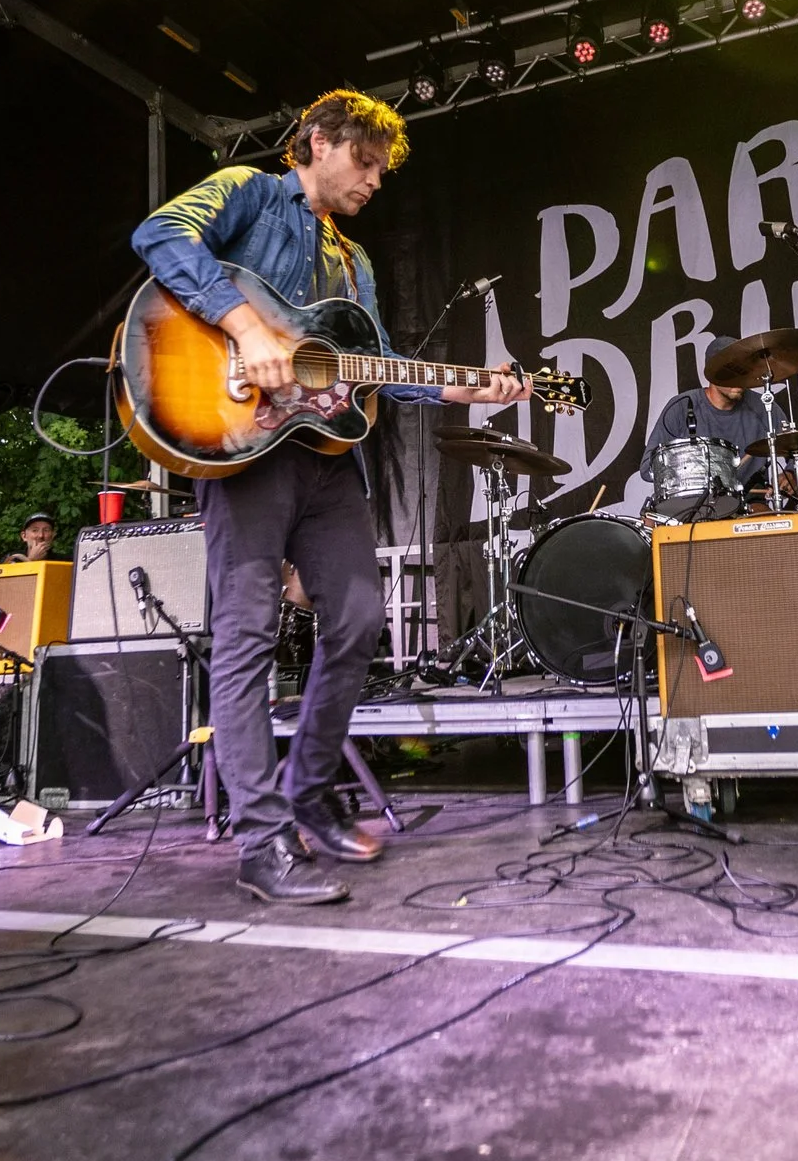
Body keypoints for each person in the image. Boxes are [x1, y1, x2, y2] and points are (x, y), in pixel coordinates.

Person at [131, 89, 526, 905]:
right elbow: (159, 234)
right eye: (366, 161)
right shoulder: (248, 190)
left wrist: (457, 390)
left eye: (383, 169)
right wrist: (245, 325)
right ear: (317, 142)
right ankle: (261, 839)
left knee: (357, 618)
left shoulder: (356, 262)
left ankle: (309, 793)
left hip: (325, 461)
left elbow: (370, 365)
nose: (376, 180)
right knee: (245, 636)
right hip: (241, 448)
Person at [643, 335, 772, 493]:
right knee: (654, 517)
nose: (739, 378)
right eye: (731, 371)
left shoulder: (762, 406)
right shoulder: (681, 406)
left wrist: (791, 472)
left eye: (743, 370)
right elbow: (648, 467)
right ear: (711, 373)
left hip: (749, 499)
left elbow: (797, 442)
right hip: (694, 500)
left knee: (766, 515)